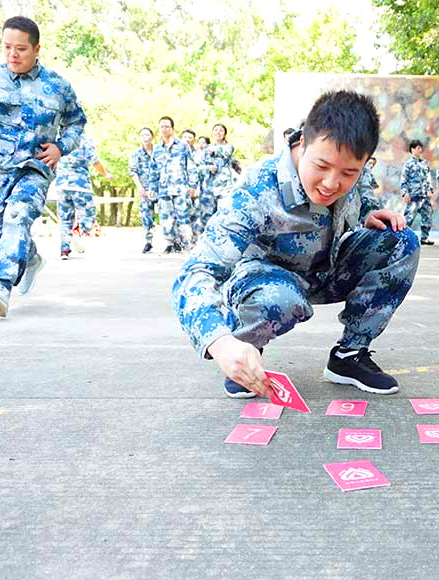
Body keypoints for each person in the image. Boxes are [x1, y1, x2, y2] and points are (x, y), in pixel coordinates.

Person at [172, 90, 420, 398]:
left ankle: (348, 357)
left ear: (364, 163)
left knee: (400, 241)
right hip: (269, 281)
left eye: (348, 173)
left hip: (327, 268)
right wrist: (220, 342)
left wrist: (370, 211)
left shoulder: (354, 175)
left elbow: (362, 194)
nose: (331, 183)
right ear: (302, 141)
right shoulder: (256, 191)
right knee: (282, 300)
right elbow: (195, 272)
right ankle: (245, 351)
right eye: (321, 166)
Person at [0, 15, 86, 318]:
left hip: (35, 168)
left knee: (17, 215)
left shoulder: (58, 86)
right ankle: (32, 258)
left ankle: (1, 287)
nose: (13, 54)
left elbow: (77, 124)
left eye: (21, 49)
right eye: (7, 47)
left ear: (37, 49)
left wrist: (61, 147)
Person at [54, 133, 110, 259]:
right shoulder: (83, 139)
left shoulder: (58, 138)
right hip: (80, 186)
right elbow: (95, 161)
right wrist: (105, 174)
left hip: (62, 185)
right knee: (88, 217)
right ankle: (78, 232)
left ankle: (65, 248)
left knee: (65, 219)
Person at [148, 116, 197, 253]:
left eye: (167, 126)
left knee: (183, 216)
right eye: (162, 126)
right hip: (164, 190)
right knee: (166, 218)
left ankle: (187, 243)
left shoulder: (182, 146)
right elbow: (154, 170)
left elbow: (191, 166)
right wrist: (152, 188)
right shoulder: (157, 149)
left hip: (180, 188)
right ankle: (170, 243)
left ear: (173, 129)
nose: (164, 129)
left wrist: (193, 186)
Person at [400, 139, 435, 245]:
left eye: (421, 148)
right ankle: (404, 238)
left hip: (424, 196)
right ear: (412, 149)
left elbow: (428, 178)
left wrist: (430, 190)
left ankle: (425, 237)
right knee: (408, 218)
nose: (420, 150)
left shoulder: (424, 163)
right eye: (418, 148)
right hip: (413, 196)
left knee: (427, 216)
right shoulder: (408, 164)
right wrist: (405, 193)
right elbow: (404, 179)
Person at [129, 127, 157, 253]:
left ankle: (172, 242)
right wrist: (139, 187)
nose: (145, 137)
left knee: (168, 215)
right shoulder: (136, 154)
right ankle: (148, 241)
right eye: (142, 135)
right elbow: (133, 171)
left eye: (147, 134)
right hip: (144, 188)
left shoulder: (159, 151)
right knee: (147, 216)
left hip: (160, 188)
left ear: (152, 137)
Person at [207, 123, 237, 210]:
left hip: (225, 185)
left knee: (224, 211)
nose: (218, 132)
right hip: (209, 185)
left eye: (221, 131)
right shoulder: (207, 147)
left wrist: (213, 151)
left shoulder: (228, 146)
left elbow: (225, 153)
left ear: (225, 134)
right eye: (216, 130)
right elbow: (200, 164)